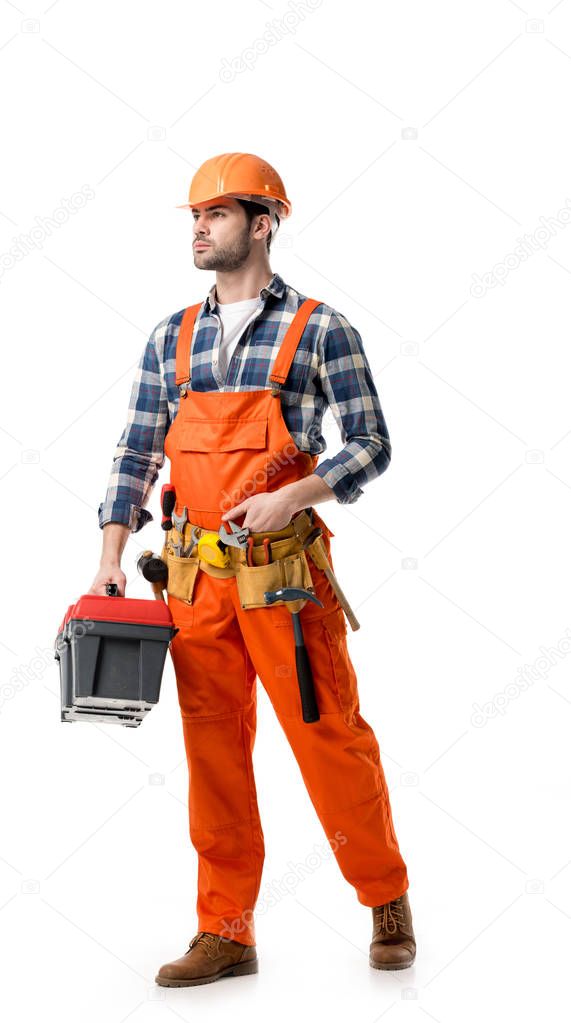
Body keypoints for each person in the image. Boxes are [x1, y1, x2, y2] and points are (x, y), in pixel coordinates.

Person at [90, 152, 416, 986]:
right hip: (195, 585)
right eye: (194, 216)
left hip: (284, 581)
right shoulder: (173, 334)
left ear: (262, 222)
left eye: (215, 214)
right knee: (214, 757)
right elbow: (134, 449)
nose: (198, 228)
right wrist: (109, 557)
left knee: (329, 740)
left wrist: (298, 493)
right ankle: (225, 929)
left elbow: (372, 444)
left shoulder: (320, 327)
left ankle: (384, 894)